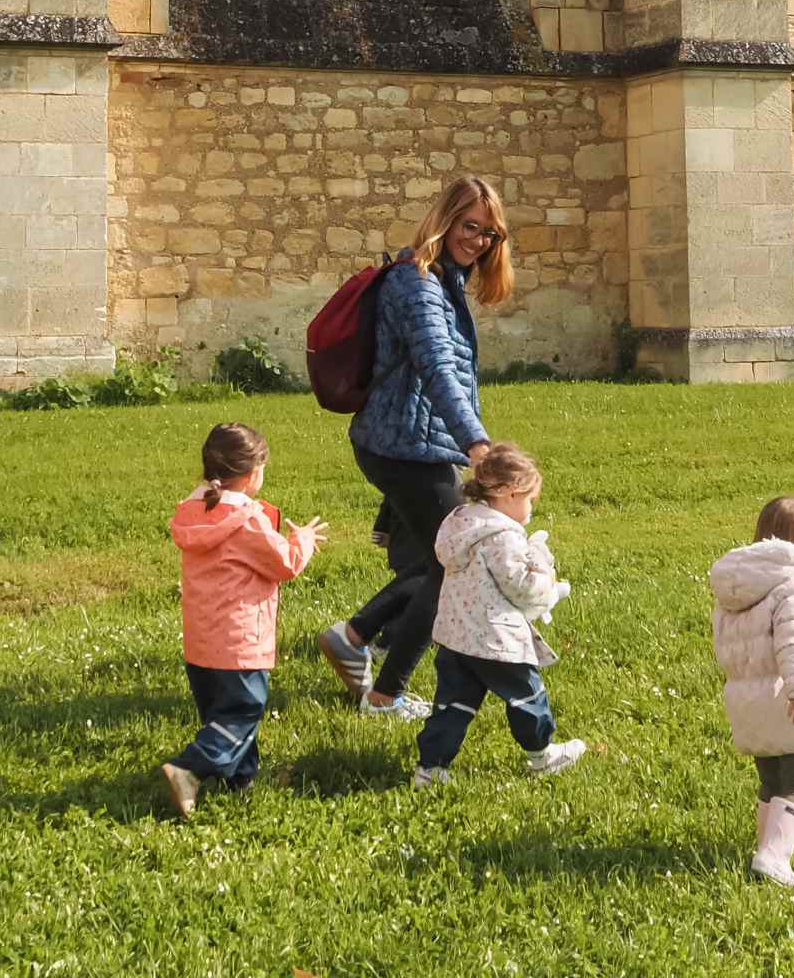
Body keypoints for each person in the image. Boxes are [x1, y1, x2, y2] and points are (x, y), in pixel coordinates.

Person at [318, 176, 515, 720]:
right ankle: (383, 693)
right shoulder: (419, 284)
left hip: (415, 446)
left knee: (439, 562)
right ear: (445, 219)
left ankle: (355, 635)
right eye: (469, 226)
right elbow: (437, 368)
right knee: (459, 562)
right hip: (403, 448)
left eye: (489, 234)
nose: (477, 240)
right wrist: (475, 443)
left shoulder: (444, 282)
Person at [161, 423, 328, 817]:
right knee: (242, 714)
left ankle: (241, 781)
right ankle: (190, 767)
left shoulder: (191, 509)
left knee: (224, 715)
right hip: (240, 642)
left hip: (201, 641)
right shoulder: (248, 519)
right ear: (253, 474)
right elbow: (285, 564)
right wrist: (302, 539)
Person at [412, 444, 586, 786]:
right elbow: (521, 586)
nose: (531, 508)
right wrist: (544, 573)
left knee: (453, 704)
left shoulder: (459, 523)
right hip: (496, 639)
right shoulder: (502, 537)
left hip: (456, 636)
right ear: (506, 493)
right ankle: (542, 754)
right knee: (526, 695)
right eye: (529, 499)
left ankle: (431, 768)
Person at [708, 496, 794, 886]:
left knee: (772, 781)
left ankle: (765, 845)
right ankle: (773, 856)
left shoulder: (737, 588)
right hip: (788, 702)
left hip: (748, 705)